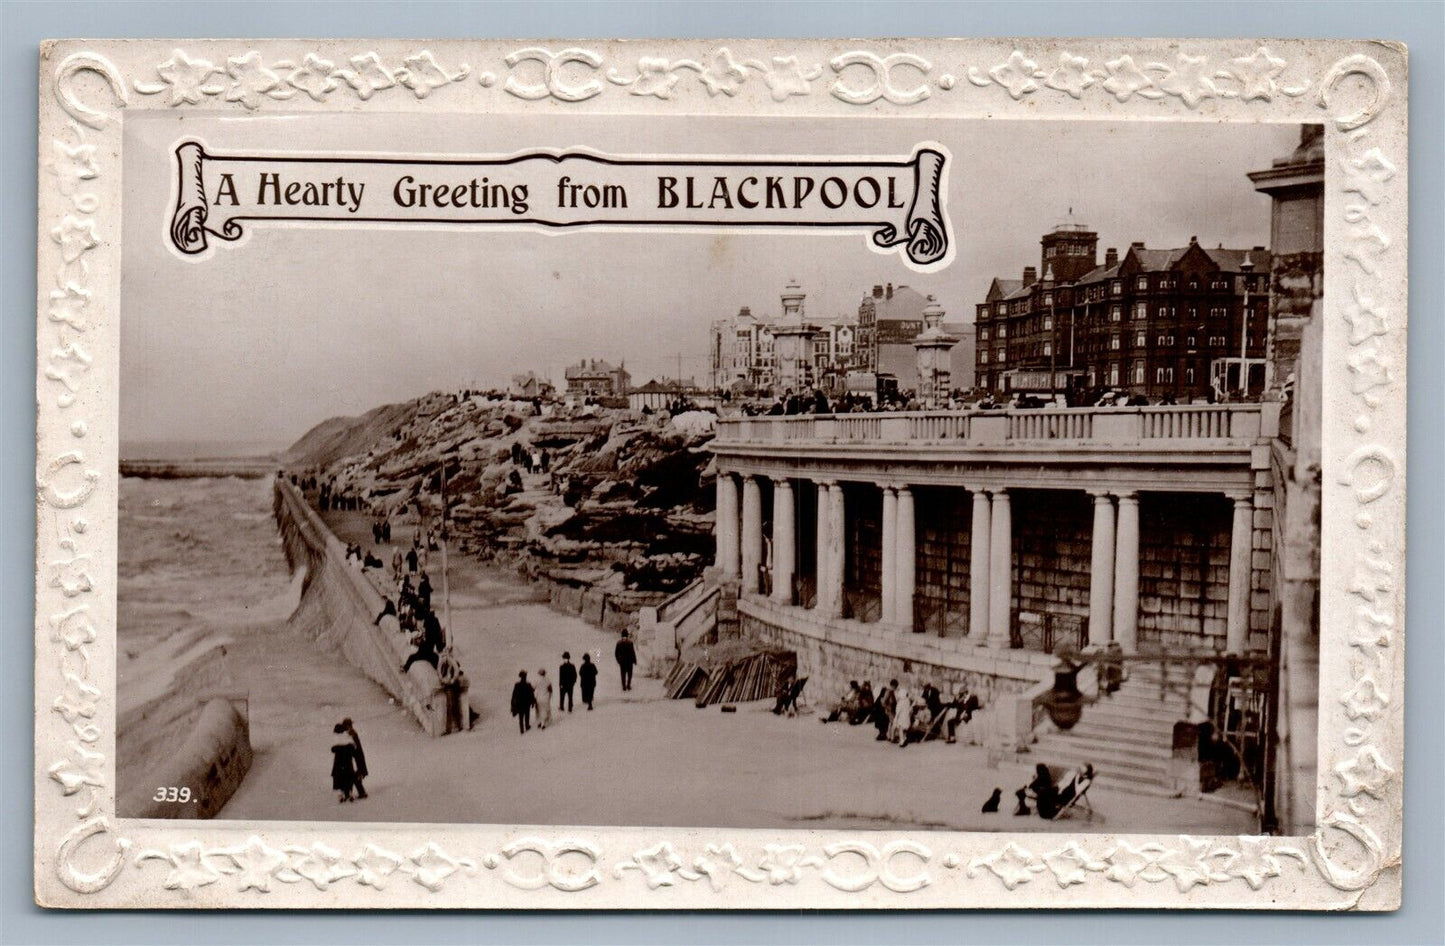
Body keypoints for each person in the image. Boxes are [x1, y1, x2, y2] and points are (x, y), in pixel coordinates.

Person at [341, 718, 368, 800]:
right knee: (356, 778)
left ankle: (361, 793)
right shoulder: (351, 734)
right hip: (357, 758)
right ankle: (361, 793)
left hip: (357, 758)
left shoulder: (352, 734)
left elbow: (355, 747)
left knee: (355, 777)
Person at [330, 724, 358, 803]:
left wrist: (340, 748)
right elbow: (353, 747)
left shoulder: (335, 738)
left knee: (339, 777)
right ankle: (349, 793)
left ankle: (341, 794)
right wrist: (346, 748)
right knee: (348, 777)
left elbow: (333, 749)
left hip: (338, 762)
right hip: (347, 761)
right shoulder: (347, 737)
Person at [511, 670, 535, 734]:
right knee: (527, 715)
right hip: (527, 703)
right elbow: (531, 694)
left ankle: (521, 730)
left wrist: (512, 705)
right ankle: (527, 726)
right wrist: (533, 702)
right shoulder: (528, 684)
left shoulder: (517, 685)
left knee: (521, 717)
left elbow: (514, 695)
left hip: (520, 704)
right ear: (525, 677)